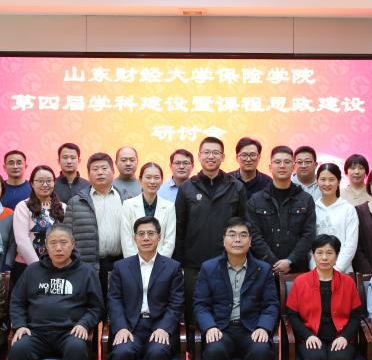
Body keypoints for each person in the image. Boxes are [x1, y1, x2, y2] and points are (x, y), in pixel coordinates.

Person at [5, 225, 104, 360]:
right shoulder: (32, 271)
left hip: (70, 332)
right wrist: (20, 325)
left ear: (73, 245)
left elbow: (96, 307)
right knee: (18, 351)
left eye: (63, 243)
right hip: (36, 332)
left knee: (78, 351)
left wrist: (84, 324)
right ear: (45, 247)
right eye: (53, 243)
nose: (58, 248)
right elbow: (17, 301)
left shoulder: (86, 272)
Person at [195, 218, 279, 360]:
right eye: (232, 234)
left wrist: (264, 327)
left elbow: (271, 305)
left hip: (251, 330)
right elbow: (201, 304)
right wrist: (209, 326)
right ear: (223, 240)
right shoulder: (209, 268)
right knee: (212, 352)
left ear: (250, 241)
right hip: (221, 329)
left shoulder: (263, 269)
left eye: (243, 235)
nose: (237, 239)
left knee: (262, 353)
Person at [105, 217, 184, 360]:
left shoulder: (172, 267)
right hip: (131, 328)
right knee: (120, 354)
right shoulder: (121, 267)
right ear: (134, 238)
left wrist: (165, 328)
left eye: (151, 233)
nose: (146, 238)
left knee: (158, 353)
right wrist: (120, 327)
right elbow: (114, 300)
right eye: (141, 234)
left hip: (160, 327)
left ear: (159, 237)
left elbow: (176, 303)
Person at [286, 235, 364, 360]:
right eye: (319, 253)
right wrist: (307, 335)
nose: (324, 257)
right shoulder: (301, 281)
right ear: (313, 255)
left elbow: (356, 316)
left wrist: (344, 337)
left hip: (341, 337)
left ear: (336, 256)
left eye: (329, 253)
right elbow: (292, 315)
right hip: (310, 337)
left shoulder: (347, 282)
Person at [174, 137, 248, 326]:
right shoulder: (187, 188)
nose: (211, 156)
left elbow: (244, 226)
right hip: (193, 264)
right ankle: (193, 344)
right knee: (194, 312)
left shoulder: (236, 186)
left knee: (224, 312)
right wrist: (179, 263)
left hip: (228, 262)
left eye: (216, 153)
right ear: (199, 156)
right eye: (206, 152)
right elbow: (179, 228)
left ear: (223, 157)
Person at [11, 165, 66, 360]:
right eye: (40, 180)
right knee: (30, 317)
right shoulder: (23, 207)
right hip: (28, 269)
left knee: (49, 317)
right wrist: (39, 269)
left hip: (58, 270)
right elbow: (22, 240)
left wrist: (55, 266)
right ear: (31, 183)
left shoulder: (62, 207)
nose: (45, 184)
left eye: (49, 180)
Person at [247, 146, 316, 274]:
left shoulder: (306, 199)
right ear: (270, 167)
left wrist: (290, 261)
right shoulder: (256, 200)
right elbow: (254, 236)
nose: (282, 166)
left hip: (297, 269)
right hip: (264, 269)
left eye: (287, 162)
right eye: (277, 162)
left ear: (293, 166)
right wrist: (273, 262)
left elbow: (309, 235)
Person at [65, 152, 124, 298]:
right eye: (95, 169)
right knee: (92, 305)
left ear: (113, 171)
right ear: (88, 174)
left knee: (116, 305)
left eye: (104, 168)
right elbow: (67, 237)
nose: (100, 172)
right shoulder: (75, 202)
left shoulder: (126, 199)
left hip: (119, 264)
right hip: (87, 266)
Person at [120, 162, 176, 258]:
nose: (152, 181)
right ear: (140, 180)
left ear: (162, 181)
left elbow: (169, 241)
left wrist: (159, 263)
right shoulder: (128, 205)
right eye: (148, 177)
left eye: (156, 178)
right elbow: (126, 240)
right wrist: (136, 263)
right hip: (134, 262)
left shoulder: (169, 207)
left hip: (161, 263)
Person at [313, 163, 358, 274]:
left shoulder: (348, 209)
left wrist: (337, 270)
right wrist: (315, 268)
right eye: (323, 179)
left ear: (338, 181)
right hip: (316, 272)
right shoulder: (312, 208)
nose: (327, 184)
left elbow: (351, 244)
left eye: (331, 179)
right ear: (317, 181)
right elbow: (309, 241)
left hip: (343, 271)